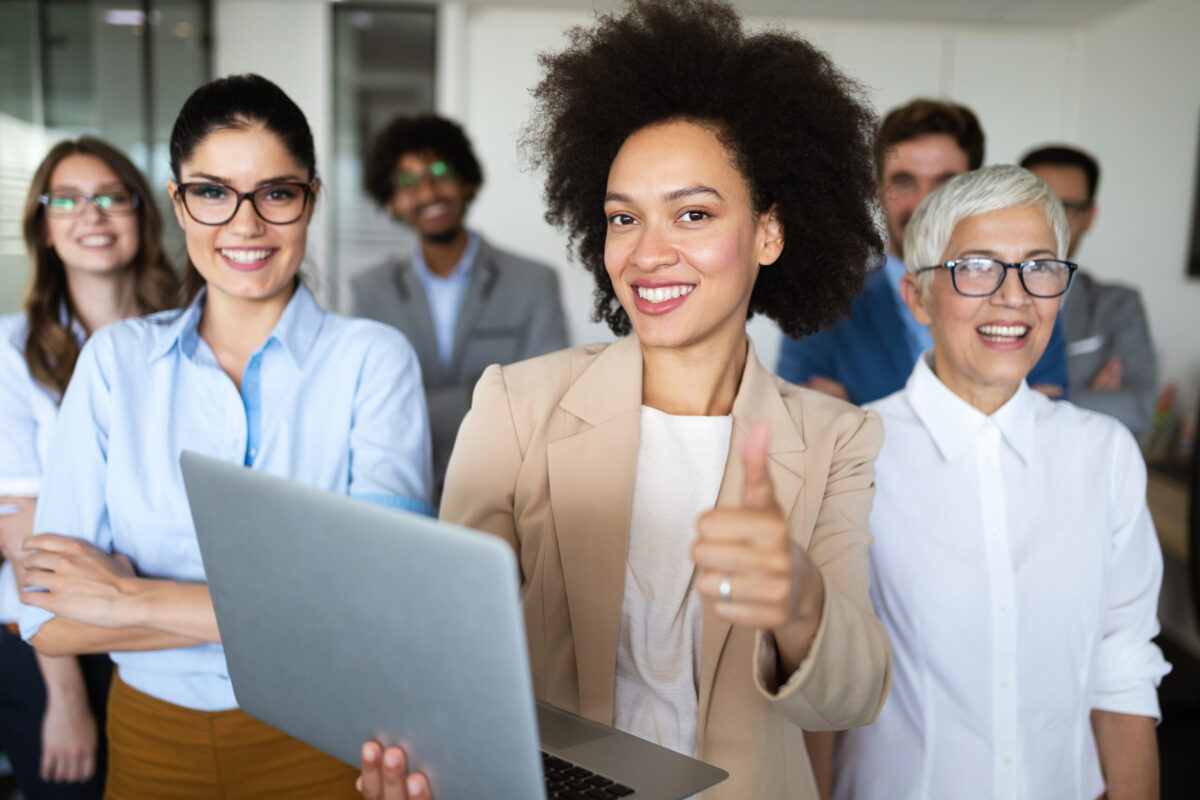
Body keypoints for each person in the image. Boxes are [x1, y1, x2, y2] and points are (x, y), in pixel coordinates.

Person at [358, 1, 892, 797]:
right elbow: (450, 650)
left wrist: (801, 600)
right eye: (622, 218)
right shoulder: (516, 405)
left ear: (770, 233)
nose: (647, 253)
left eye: (694, 213)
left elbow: (849, 697)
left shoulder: (836, 438)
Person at [18, 74, 432, 799]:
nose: (245, 225)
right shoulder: (117, 363)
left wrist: (130, 599)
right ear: (178, 203)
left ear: (309, 200)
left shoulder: (372, 359)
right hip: (151, 738)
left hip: (325, 738)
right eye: (212, 192)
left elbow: (380, 606)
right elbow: (48, 618)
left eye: (276, 192)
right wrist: (297, 609)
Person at [832, 165, 1168, 799]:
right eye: (977, 266)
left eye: (1039, 267)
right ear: (917, 298)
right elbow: (816, 681)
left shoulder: (1103, 454)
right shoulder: (851, 452)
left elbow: (1122, 664)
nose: (1014, 296)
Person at [0, 137, 177, 799]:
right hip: (51, 641)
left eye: (110, 197)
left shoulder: (192, 328)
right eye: (67, 200)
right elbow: (22, 528)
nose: (91, 215)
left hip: (166, 619)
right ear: (44, 228)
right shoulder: (11, 351)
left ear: (143, 215)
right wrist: (67, 693)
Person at [776, 99, 1069, 404]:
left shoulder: (1027, 296)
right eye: (904, 182)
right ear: (878, 191)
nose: (923, 203)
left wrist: (857, 417)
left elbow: (1046, 419)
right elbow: (800, 423)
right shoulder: (823, 304)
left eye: (946, 183)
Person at [351, 114, 569, 494]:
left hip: (509, 494)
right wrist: (476, 397)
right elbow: (366, 415)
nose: (428, 192)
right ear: (391, 200)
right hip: (404, 495)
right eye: (407, 181)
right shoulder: (369, 291)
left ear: (466, 179)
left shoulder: (534, 282)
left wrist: (419, 406)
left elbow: (545, 403)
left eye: (439, 171)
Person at [1020, 145, 1157, 434]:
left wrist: (1040, 400)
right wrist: (1088, 395)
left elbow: (1138, 409)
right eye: (1038, 203)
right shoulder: (976, 291)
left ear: (1090, 216)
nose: (1051, 220)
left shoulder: (1118, 305)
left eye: (1067, 207)